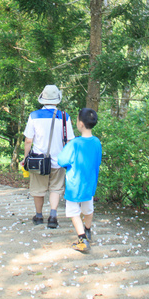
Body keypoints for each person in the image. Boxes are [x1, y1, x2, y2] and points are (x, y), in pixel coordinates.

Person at [23, 85, 74, 228]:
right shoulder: (65, 116)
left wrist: (25, 158)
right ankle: (53, 215)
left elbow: (28, 140)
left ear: (43, 99)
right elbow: (69, 140)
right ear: (57, 100)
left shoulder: (34, 116)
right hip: (59, 160)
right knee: (56, 189)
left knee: (38, 189)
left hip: (38, 161)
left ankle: (39, 216)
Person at [57, 108, 102, 253]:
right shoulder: (96, 142)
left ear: (81, 124)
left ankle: (82, 239)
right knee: (88, 209)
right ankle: (88, 230)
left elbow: (62, 160)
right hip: (90, 182)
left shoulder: (75, 144)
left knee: (73, 211)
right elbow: (98, 160)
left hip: (74, 184)